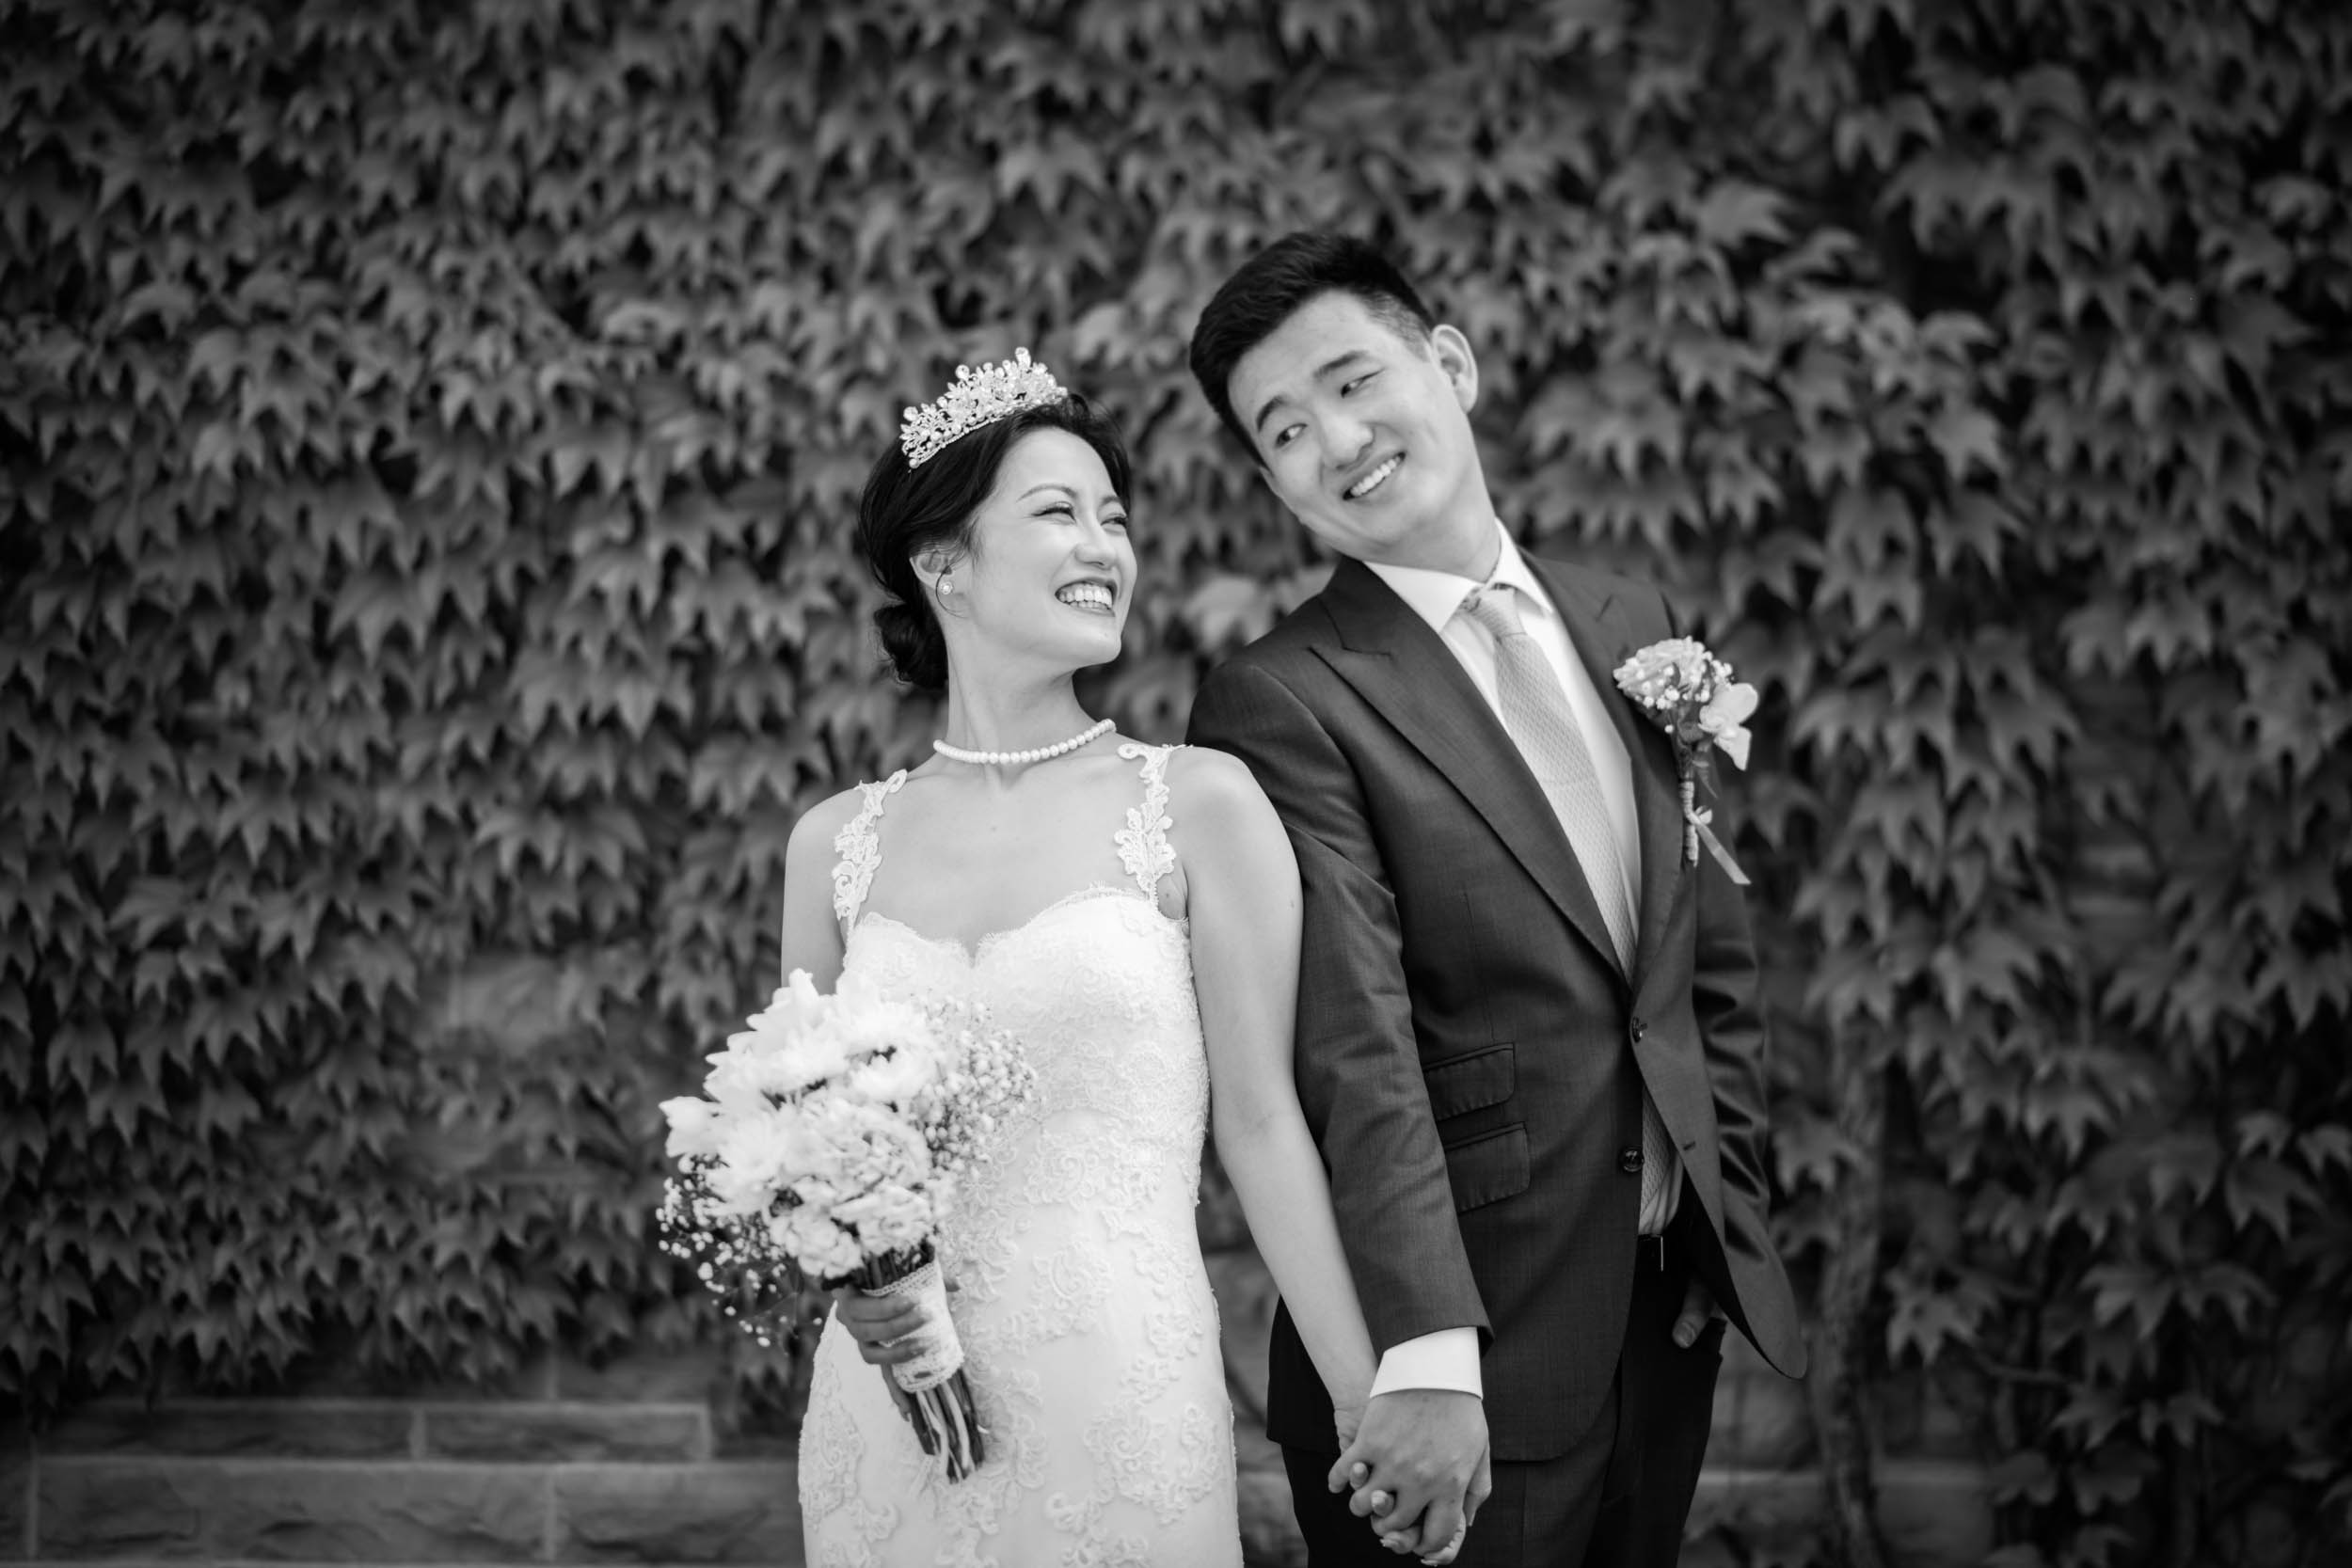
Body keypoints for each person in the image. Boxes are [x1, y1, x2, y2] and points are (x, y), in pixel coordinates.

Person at [1183, 233, 1808, 1567]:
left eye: (1354, 380)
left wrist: (1725, 1222)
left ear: (1451, 365)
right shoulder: (1281, 697)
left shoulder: (1627, 618)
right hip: (1455, 1375)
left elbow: (1703, 965)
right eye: (1285, 430)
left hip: (1661, 1325)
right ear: (1274, 484)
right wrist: (1425, 1357)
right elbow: (1352, 1043)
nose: (1336, 440)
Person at [786, 351, 1440, 1565]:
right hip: (890, 1419)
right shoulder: (833, 845)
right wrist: (849, 1283)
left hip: (1122, 1396)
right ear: (942, 563)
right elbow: (814, 1151)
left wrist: (1366, 1398)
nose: (1105, 548)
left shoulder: (1199, 804)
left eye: (1115, 519)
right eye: (1058, 513)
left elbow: (1262, 1126)